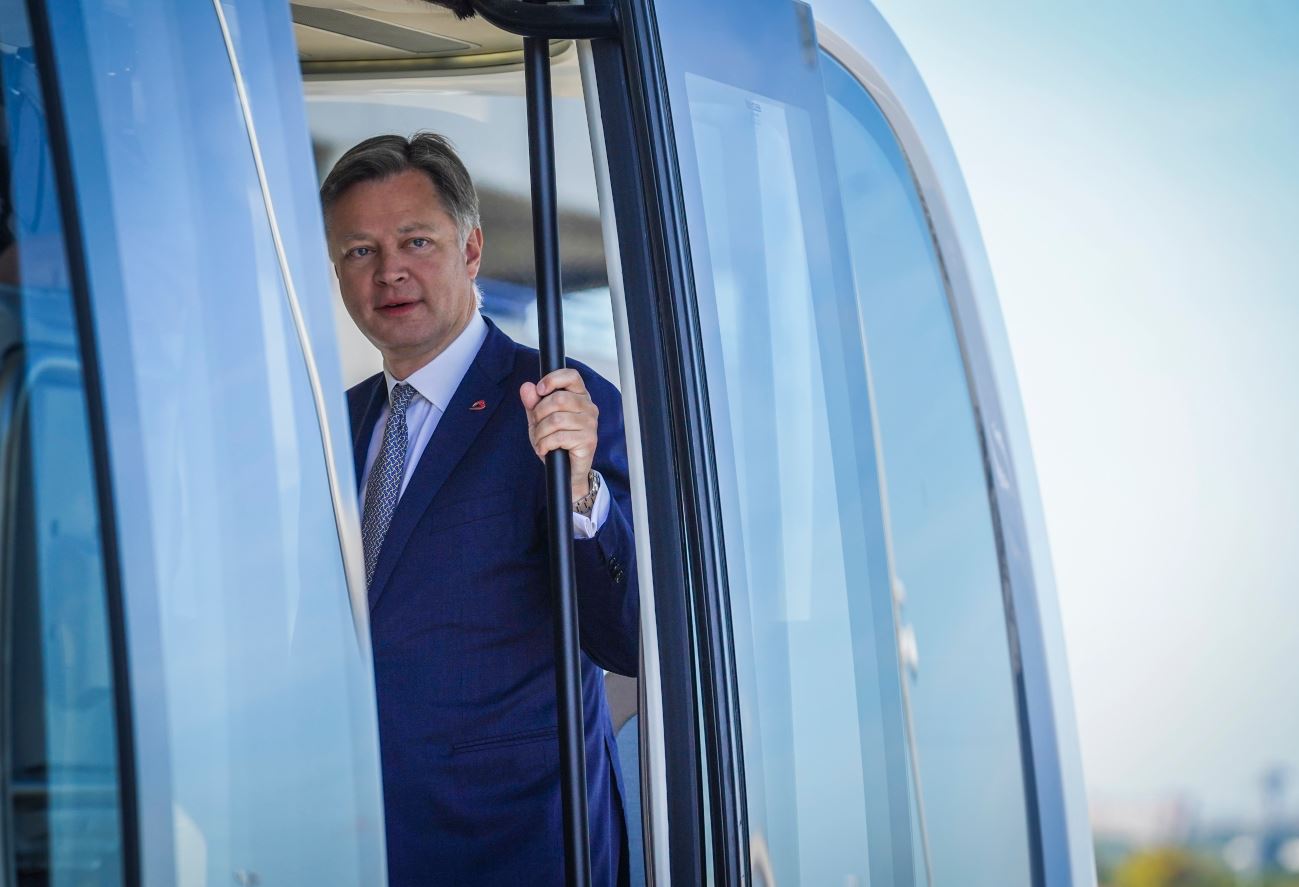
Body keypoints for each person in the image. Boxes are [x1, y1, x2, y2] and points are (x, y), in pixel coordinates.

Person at [321, 132, 638, 887]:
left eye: (415, 241)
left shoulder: (558, 403)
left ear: (470, 250)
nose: (389, 270)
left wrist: (579, 493)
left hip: (514, 845)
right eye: (360, 251)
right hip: (352, 841)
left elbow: (628, 637)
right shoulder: (333, 422)